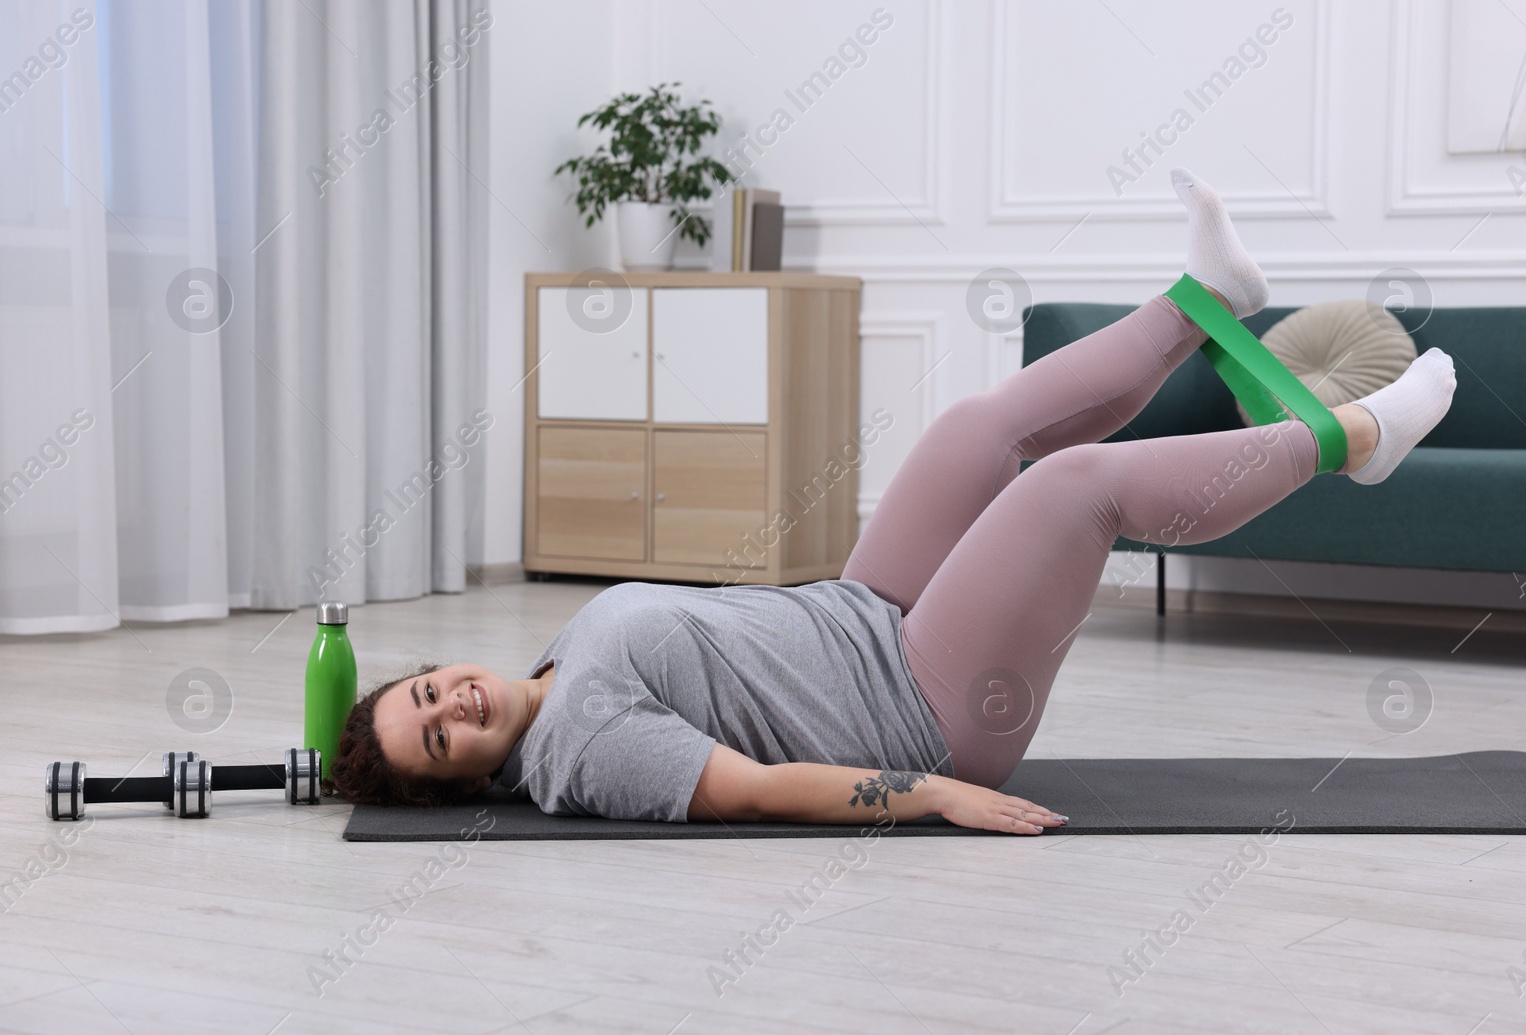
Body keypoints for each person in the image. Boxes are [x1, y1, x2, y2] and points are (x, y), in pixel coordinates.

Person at [332, 168, 1457, 835]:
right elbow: (759, 789)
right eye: (437, 739)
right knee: (1073, 488)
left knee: (976, 428)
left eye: (426, 690)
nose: (452, 705)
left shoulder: (550, 666)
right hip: (924, 707)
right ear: (464, 782)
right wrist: (930, 795)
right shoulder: (582, 752)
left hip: (869, 613)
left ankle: (1209, 298)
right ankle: (1354, 439)